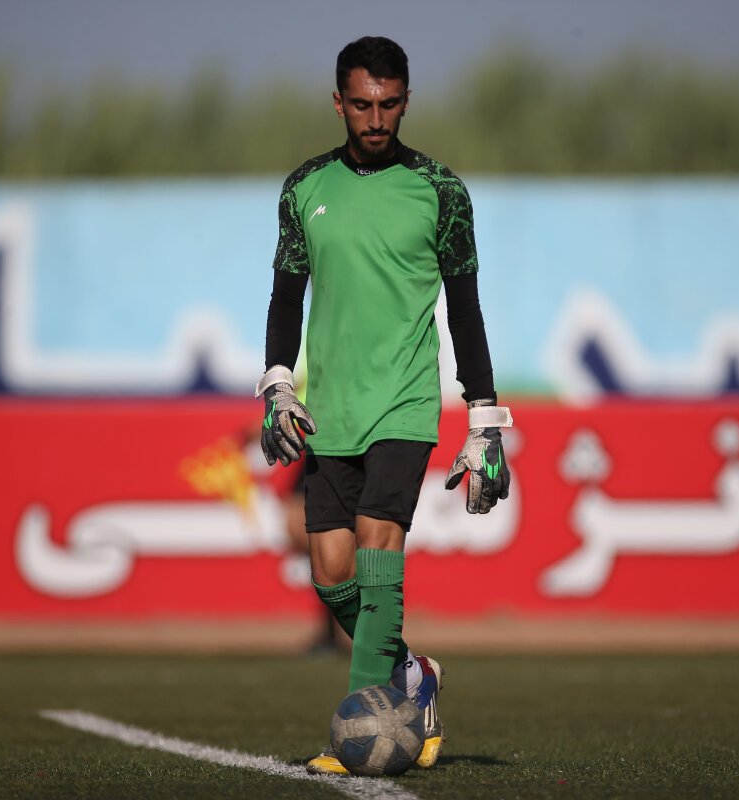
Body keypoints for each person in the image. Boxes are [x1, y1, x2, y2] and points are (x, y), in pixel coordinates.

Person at [255, 35, 512, 776]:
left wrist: (484, 417)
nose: (376, 118)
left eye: (390, 104)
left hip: (404, 401)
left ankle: (362, 733)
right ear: (339, 102)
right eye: (363, 104)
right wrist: (277, 381)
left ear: (406, 101)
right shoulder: (304, 189)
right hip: (328, 407)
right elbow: (286, 295)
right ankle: (414, 675)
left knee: (377, 549)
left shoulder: (441, 191)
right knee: (331, 574)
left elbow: (465, 309)